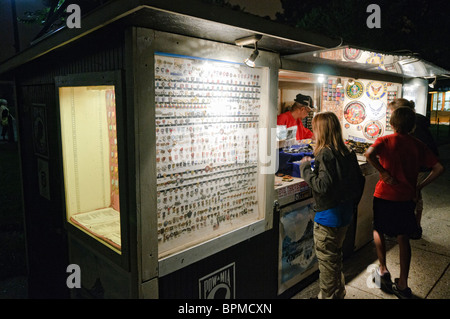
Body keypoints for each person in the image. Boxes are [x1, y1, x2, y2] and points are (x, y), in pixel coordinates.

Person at [365, 107, 444, 299]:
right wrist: (419, 186)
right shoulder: (418, 144)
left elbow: (368, 154)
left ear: (391, 123)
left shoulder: (384, 140)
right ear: (413, 126)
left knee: (378, 230)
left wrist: (383, 172)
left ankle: (383, 270)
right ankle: (403, 285)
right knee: (403, 237)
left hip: (384, 195)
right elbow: (438, 168)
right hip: (406, 197)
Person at [300, 112, 365, 299]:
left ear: (321, 129)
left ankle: (328, 296)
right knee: (335, 257)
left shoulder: (325, 153)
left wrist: (305, 170)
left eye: (314, 127)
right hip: (344, 215)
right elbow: (359, 181)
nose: (313, 131)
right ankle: (338, 292)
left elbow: (322, 185)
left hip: (328, 217)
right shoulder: (348, 151)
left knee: (327, 263)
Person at [388, 98, 439, 239]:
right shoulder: (415, 124)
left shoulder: (415, 129)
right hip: (420, 168)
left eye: (393, 112)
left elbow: (430, 158)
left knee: (414, 196)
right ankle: (411, 227)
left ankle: (413, 228)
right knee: (414, 195)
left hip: (420, 169)